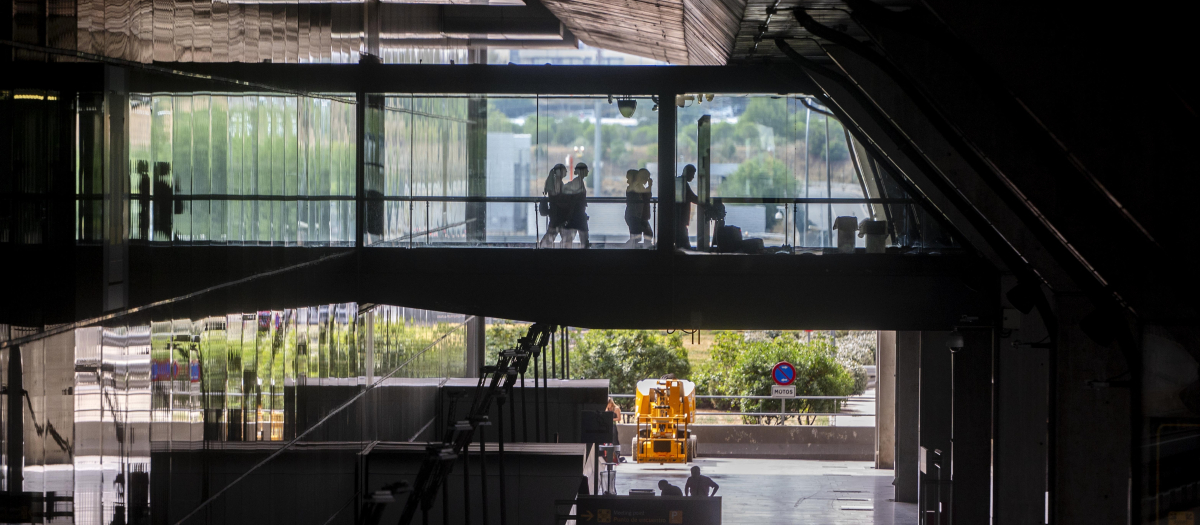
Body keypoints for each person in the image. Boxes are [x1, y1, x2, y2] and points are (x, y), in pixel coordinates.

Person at [538, 164, 568, 248]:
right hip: (558, 213)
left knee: (552, 234)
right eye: (564, 170)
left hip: (555, 213)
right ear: (559, 172)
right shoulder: (557, 182)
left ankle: (542, 248)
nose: (566, 172)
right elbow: (558, 197)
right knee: (563, 236)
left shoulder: (552, 180)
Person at [562, 162, 591, 248]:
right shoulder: (577, 183)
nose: (587, 172)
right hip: (577, 214)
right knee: (583, 237)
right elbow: (575, 199)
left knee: (571, 237)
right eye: (586, 170)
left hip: (577, 213)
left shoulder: (578, 182)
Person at [624, 169, 654, 247]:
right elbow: (646, 195)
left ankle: (638, 248)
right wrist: (650, 186)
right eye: (646, 178)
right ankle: (627, 249)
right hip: (634, 215)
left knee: (644, 234)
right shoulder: (635, 186)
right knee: (636, 237)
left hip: (637, 215)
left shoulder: (637, 186)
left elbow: (646, 196)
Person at [675, 164, 702, 249]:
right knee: (684, 244)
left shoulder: (680, 182)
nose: (693, 177)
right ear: (688, 173)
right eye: (692, 174)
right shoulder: (683, 184)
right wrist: (705, 202)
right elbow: (692, 197)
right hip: (680, 219)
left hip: (678, 218)